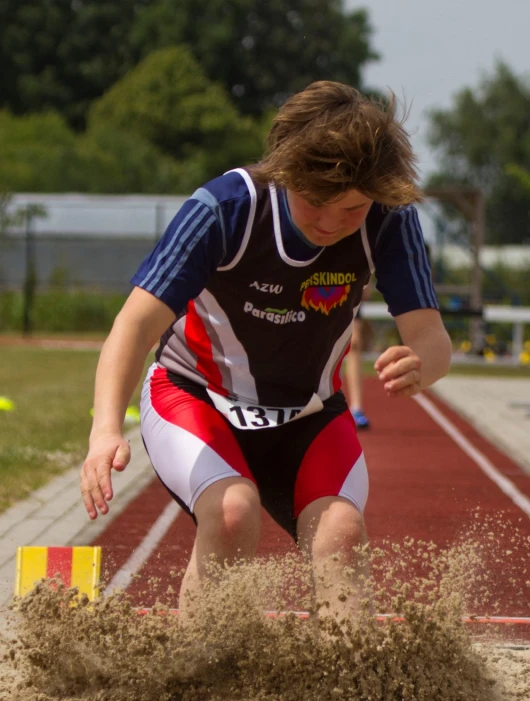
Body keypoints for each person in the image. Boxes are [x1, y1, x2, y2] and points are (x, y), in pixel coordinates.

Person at [80, 81, 452, 618]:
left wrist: (424, 363)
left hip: (309, 414)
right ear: (285, 174)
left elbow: (432, 338)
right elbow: (133, 327)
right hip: (196, 396)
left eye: (350, 209)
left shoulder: (389, 220)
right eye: (315, 204)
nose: (329, 224)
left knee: (342, 533)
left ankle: (353, 686)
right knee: (233, 513)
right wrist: (105, 430)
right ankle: (198, 671)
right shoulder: (225, 209)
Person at [345, 287, 373, 430]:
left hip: (347, 283)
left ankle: (356, 408)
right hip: (314, 282)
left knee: (354, 342)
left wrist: (367, 280)